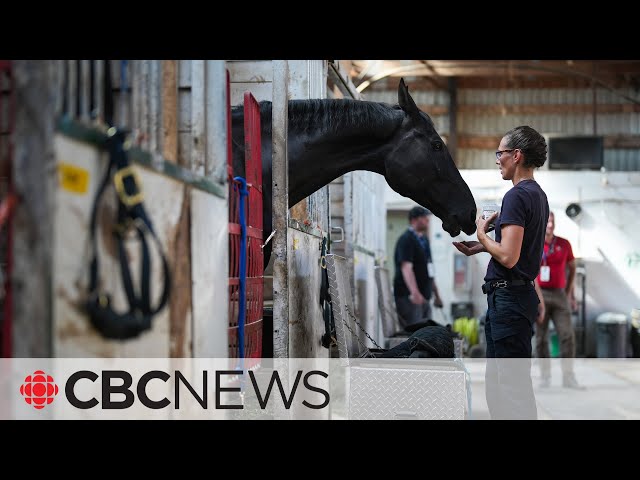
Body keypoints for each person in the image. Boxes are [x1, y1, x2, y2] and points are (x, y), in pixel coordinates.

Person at [453, 125, 549, 420]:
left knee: (511, 388)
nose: (498, 159)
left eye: (501, 153)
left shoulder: (518, 196)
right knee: (499, 387)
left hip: (510, 300)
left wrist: (482, 234)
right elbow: (516, 253)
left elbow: (508, 257)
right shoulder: (536, 195)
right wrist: (481, 248)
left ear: (516, 155)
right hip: (511, 298)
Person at [535, 211, 584, 389]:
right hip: (539, 295)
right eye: (547, 221)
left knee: (567, 335)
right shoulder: (535, 242)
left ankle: (568, 377)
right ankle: (545, 376)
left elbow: (572, 267)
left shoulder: (564, 244)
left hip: (559, 294)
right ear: (542, 223)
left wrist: (570, 293)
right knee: (541, 339)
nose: (550, 224)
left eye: (552, 221)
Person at [393, 206, 443, 329]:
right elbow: (406, 268)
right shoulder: (406, 240)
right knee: (413, 334)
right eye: (424, 217)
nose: (427, 220)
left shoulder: (424, 240)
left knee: (425, 333)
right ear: (414, 220)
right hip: (409, 297)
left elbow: (429, 269)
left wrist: (436, 295)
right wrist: (415, 293)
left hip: (425, 297)